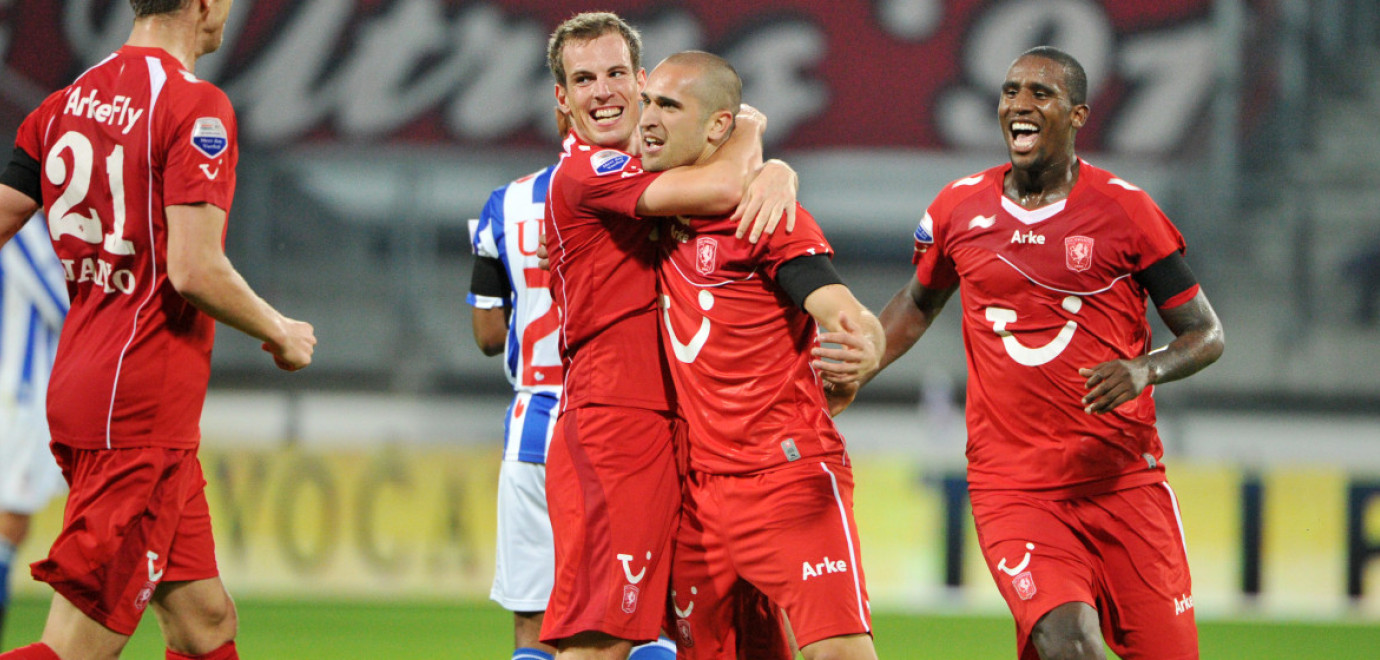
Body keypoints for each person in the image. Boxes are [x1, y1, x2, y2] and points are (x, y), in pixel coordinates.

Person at [862, 46, 1225, 660]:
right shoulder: (960, 208)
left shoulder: (1127, 211)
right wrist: (848, 372)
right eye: (1010, 92)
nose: (1019, 105)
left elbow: (1206, 333)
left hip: (1123, 482)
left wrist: (1147, 368)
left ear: (1079, 114)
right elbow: (918, 303)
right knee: (1068, 643)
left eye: (1041, 93)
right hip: (1014, 488)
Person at [0, 1, 317, 658]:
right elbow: (194, 270)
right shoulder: (195, 107)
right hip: (136, 407)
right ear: (203, 3)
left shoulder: (63, 103)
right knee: (74, 649)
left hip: (90, 392)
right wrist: (279, 329)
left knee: (206, 627)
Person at [541, 12, 796, 659]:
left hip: (688, 428)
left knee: (699, 634)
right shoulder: (589, 173)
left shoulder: (651, 174)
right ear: (562, 101)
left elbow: (726, 188)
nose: (603, 91)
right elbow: (725, 181)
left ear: (643, 79)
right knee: (602, 638)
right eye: (583, 79)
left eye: (616, 73)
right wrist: (753, 134)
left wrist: (774, 172)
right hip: (616, 422)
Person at [643, 52, 885, 660]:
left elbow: (844, 311)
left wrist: (863, 350)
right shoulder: (638, 200)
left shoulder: (763, 217)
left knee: (839, 655)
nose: (647, 118)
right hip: (695, 498)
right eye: (648, 101)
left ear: (716, 128)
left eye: (668, 106)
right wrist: (769, 157)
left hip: (786, 478)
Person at [467, 143, 674, 660]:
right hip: (634, 415)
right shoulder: (670, 189)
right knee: (648, 624)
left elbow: (488, 333)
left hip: (536, 420)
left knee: (536, 628)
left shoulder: (506, 202)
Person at [0, 217, 67, 647]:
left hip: (21, 398)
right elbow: (64, 304)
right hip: (16, 398)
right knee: (8, 527)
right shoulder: (20, 227)